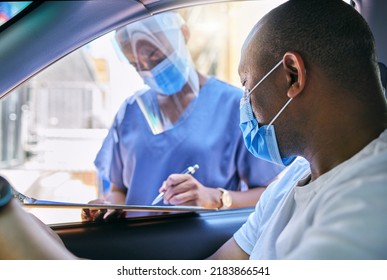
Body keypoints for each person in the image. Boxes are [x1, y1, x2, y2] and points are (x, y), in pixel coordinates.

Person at [2, 0, 387, 260]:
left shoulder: (368, 205)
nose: (245, 102)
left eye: (248, 83)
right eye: (137, 63)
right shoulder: (298, 176)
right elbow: (221, 265)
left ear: (292, 75)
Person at [82, 12, 284, 221]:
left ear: (183, 33)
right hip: (136, 245)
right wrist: (107, 207)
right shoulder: (130, 110)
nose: (149, 70)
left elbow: (270, 195)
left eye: (155, 56)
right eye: (137, 65)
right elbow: (119, 190)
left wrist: (216, 198)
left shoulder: (233, 105)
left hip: (202, 248)